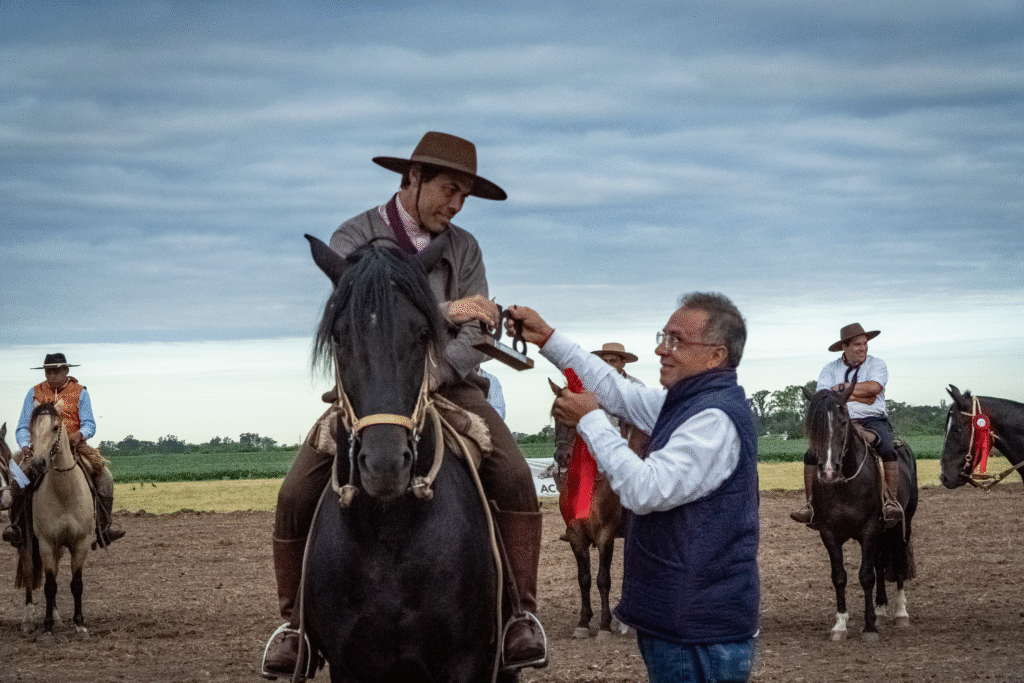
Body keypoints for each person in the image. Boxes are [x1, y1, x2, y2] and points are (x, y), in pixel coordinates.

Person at [262, 132, 546, 677]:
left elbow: (478, 333)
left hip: (450, 383)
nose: (457, 205)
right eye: (449, 190)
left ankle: (519, 616)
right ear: (413, 178)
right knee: (294, 492)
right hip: (370, 392)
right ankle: (294, 625)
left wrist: (435, 371)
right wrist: (449, 308)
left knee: (514, 475)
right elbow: (358, 315)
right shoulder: (353, 236)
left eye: (464, 196)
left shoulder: (465, 248)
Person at [508, 293, 760, 683]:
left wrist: (591, 421)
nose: (661, 349)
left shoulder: (712, 419)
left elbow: (644, 491)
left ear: (715, 356)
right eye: (664, 337)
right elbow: (615, 389)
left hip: (697, 634)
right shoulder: (686, 404)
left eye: (677, 341)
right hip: (684, 624)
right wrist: (547, 337)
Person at [3, 353, 125, 548]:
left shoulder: (80, 392)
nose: (51, 376)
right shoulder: (34, 393)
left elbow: (89, 423)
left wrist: (80, 434)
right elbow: (23, 426)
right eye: (48, 372)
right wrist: (25, 445)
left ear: (66, 371)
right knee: (18, 476)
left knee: (105, 477)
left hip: (74, 446)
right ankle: (16, 527)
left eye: (56, 372)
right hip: (38, 447)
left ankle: (104, 527)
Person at [790, 322, 904, 528]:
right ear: (845, 346)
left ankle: (890, 502)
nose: (863, 348)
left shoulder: (877, 364)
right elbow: (825, 398)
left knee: (887, 447)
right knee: (811, 454)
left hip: (872, 419)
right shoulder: (829, 369)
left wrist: (843, 389)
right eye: (857, 345)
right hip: (838, 421)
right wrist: (861, 396)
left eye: (865, 343)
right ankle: (811, 506)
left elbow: (875, 388)